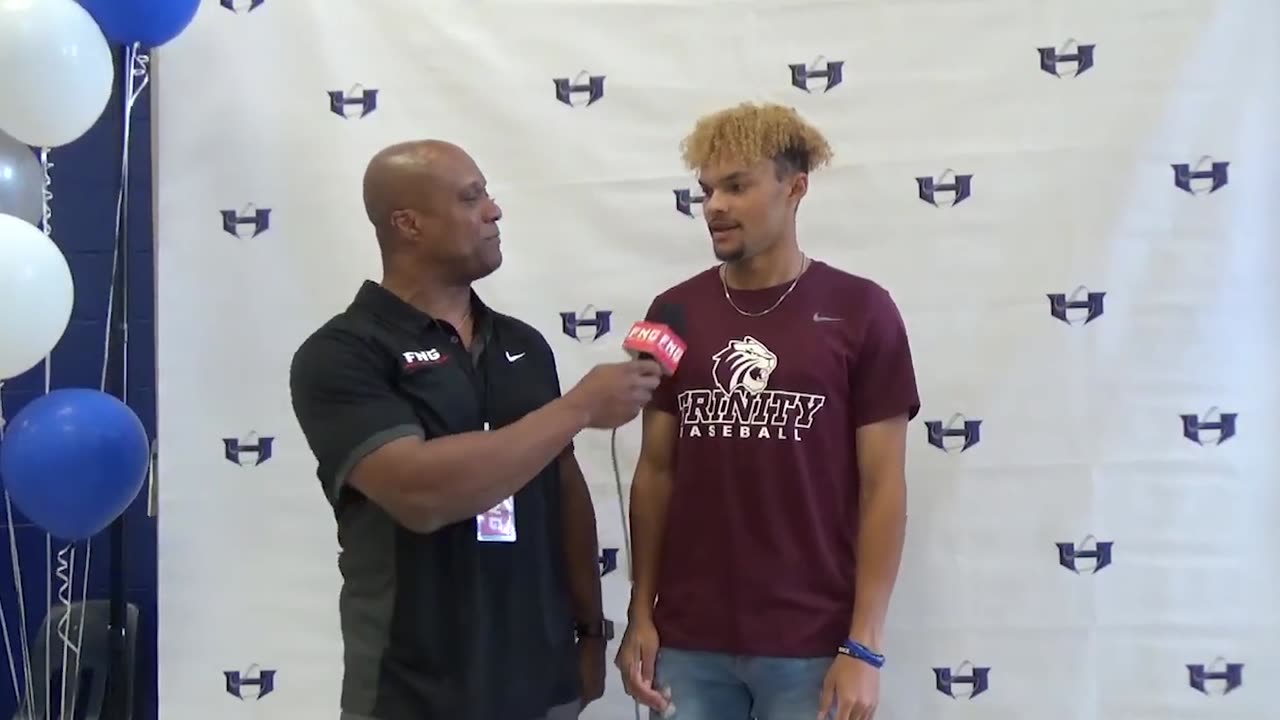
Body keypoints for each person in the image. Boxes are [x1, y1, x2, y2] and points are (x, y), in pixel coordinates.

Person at [288, 139, 664, 720]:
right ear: (408, 224)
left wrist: (590, 631)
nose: (494, 210)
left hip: (542, 684)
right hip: (411, 694)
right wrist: (579, 407)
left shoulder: (523, 344)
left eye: (487, 194)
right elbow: (420, 494)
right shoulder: (342, 354)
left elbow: (563, 487)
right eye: (471, 198)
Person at [615, 103, 921, 720]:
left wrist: (864, 644)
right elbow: (656, 473)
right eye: (707, 190)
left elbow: (883, 488)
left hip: (814, 646)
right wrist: (640, 613)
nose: (714, 206)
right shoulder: (672, 312)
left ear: (795, 187)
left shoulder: (862, 311)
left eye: (736, 186)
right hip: (687, 643)